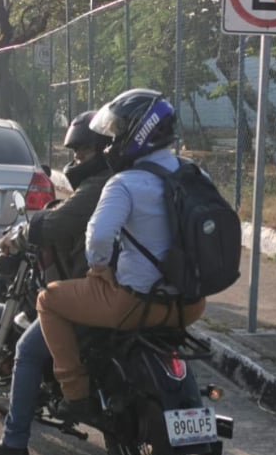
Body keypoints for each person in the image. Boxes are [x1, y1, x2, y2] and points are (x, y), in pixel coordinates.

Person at [36, 89, 207, 420]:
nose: (111, 144)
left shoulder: (125, 183)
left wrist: (99, 271)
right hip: (190, 304)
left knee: (49, 300)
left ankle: (74, 394)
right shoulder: (194, 174)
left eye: (116, 134)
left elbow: (98, 238)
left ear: (138, 133)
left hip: (134, 305)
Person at [0, 112, 114, 455]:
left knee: (27, 348)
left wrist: (20, 237)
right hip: (144, 291)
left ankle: (14, 443)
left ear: (102, 149)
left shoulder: (102, 185)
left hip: (101, 294)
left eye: (82, 151)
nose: (76, 160)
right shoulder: (139, 180)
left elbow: (59, 221)